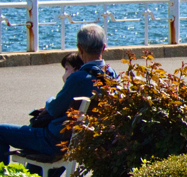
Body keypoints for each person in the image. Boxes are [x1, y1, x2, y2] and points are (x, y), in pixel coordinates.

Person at [0, 24, 115, 167]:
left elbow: (54, 108)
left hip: (55, 140)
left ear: (79, 48)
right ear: (104, 47)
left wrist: (49, 101)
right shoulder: (112, 75)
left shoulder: (79, 78)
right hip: (82, 139)